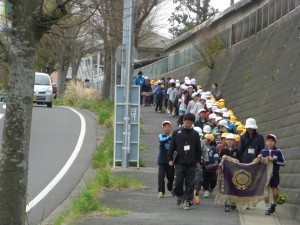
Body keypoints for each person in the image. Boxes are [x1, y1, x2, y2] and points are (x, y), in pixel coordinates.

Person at [168, 113, 202, 210]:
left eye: (190, 123)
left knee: (190, 183)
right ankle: (179, 195)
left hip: (191, 163)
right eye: (187, 123)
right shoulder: (176, 132)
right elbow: (172, 147)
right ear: (183, 121)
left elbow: (198, 150)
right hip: (179, 162)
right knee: (178, 182)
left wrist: (198, 162)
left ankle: (187, 201)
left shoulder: (195, 134)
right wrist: (170, 159)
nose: (188, 125)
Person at [258, 134, 285, 215]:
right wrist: (260, 158)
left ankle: (274, 203)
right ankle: (267, 207)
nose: (270, 143)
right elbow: (260, 163)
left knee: (275, 193)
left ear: (275, 142)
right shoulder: (263, 151)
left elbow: (283, 162)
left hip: (275, 174)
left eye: (272, 141)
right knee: (266, 192)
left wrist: (274, 160)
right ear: (266, 142)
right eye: (268, 141)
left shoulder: (278, 151)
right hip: (265, 174)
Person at [219, 133, 239, 212]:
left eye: (231, 140)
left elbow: (240, 159)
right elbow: (219, 161)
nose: (230, 141)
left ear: (234, 141)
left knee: (234, 186)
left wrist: (237, 160)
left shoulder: (237, 150)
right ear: (226, 141)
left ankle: (233, 202)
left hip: (235, 171)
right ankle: (226, 204)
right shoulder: (223, 150)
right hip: (226, 171)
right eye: (228, 140)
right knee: (226, 187)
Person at [157, 121, 175, 198]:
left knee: (171, 177)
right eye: (165, 126)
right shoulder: (161, 136)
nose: (167, 128)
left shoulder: (174, 137)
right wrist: (170, 137)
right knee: (161, 176)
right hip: (162, 160)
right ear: (163, 128)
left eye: (168, 126)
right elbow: (162, 140)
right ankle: (161, 191)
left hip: (170, 160)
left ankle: (170, 188)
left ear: (170, 128)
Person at [202, 134, 219, 198]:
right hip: (204, 168)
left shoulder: (214, 149)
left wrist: (214, 165)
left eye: (205, 139)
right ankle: (206, 190)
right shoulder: (202, 148)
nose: (204, 140)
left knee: (213, 179)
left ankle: (211, 188)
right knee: (205, 179)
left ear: (209, 141)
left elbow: (216, 157)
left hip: (212, 168)